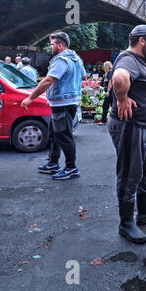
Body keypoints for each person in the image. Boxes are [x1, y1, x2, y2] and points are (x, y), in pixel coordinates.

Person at [108, 25, 146, 244]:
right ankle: (126, 223)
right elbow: (119, 78)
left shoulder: (140, 60)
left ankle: (143, 212)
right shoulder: (129, 59)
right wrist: (121, 98)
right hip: (132, 127)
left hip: (145, 128)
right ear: (142, 40)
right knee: (130, 174)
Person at [21, 32, 86, 180]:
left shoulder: (61, 60)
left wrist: (30, 98)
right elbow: (84, 76)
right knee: (54, 134)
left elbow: (48, 80)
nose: (50, 47)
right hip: (67, 101)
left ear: (60, 45)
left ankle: (71, 168)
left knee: (64, 136)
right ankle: (53, 162)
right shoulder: (76, 59)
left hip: (62, 103)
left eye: (52, 44)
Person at [99, 61, 113, 125]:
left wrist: (108, 91)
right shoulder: (108, 73)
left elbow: (110, 82)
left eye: (104, 67)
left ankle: (103, 120)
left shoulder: (110, 72)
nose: (104, 68)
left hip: (110, 92)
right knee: (111, 106)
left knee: (105, 106)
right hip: (110, 92)